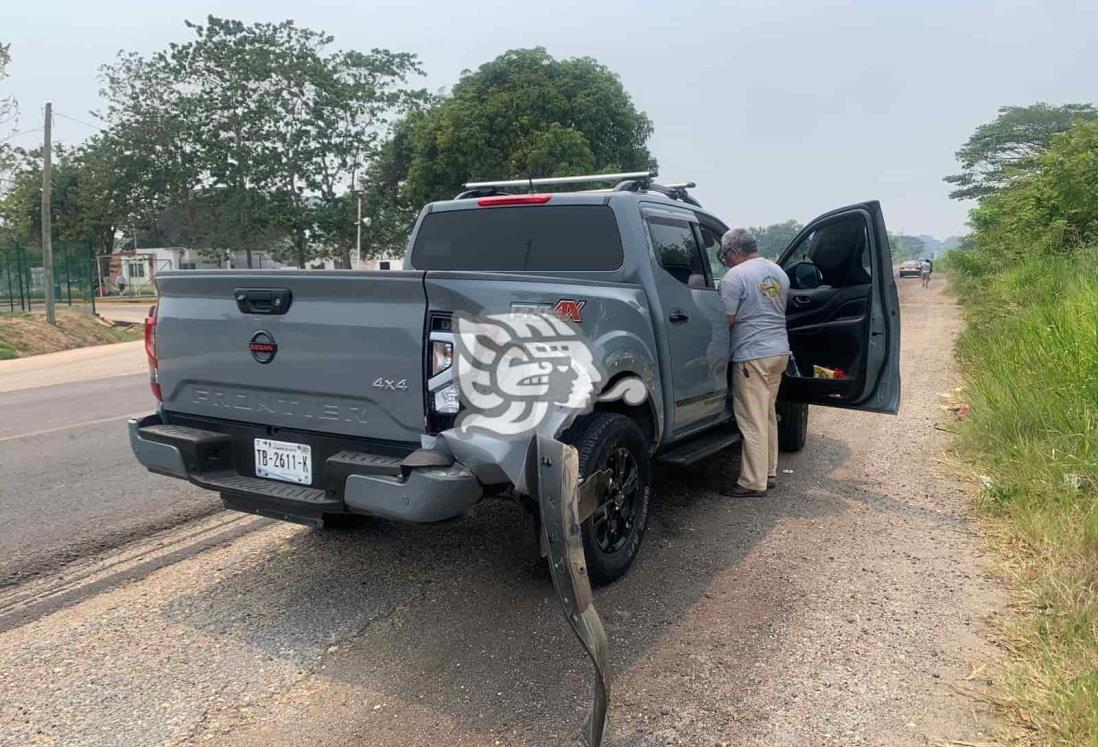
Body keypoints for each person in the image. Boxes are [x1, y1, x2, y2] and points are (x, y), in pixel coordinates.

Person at [717, 228, 791, 497]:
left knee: (751, 420)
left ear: (735, 252)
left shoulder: (735, 276)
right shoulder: (778, 272)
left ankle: (752, 482)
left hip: (752, 356)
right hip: (779, 352)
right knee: (767, 414)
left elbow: (726, 319)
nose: (726, 259)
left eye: (726, 254)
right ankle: (769, 473)